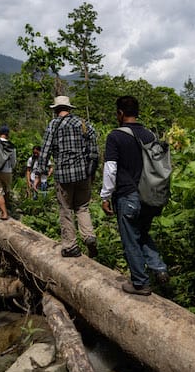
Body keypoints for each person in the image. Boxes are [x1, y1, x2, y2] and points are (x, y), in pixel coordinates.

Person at [100, 95, 169, 296]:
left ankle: (140, 283)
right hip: (149, 196)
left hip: (127, 195)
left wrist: (105, 196)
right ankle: (159, 268)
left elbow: (111, 169)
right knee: (142, 234)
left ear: (120, 113)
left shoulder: (115, 136)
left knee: (130, 239)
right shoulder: (149, 135)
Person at [34, 96, 98, 258]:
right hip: (83, 174)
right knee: (82, 207)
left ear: (56, 110)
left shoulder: (53, 125)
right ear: (69, 109)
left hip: (63, 176)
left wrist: (39, 174)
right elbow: (94, 152)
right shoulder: (83, 124)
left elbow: (45, 150)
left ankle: (70, 246)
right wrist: (91, 173)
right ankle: (89, 236)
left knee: (66, 209)